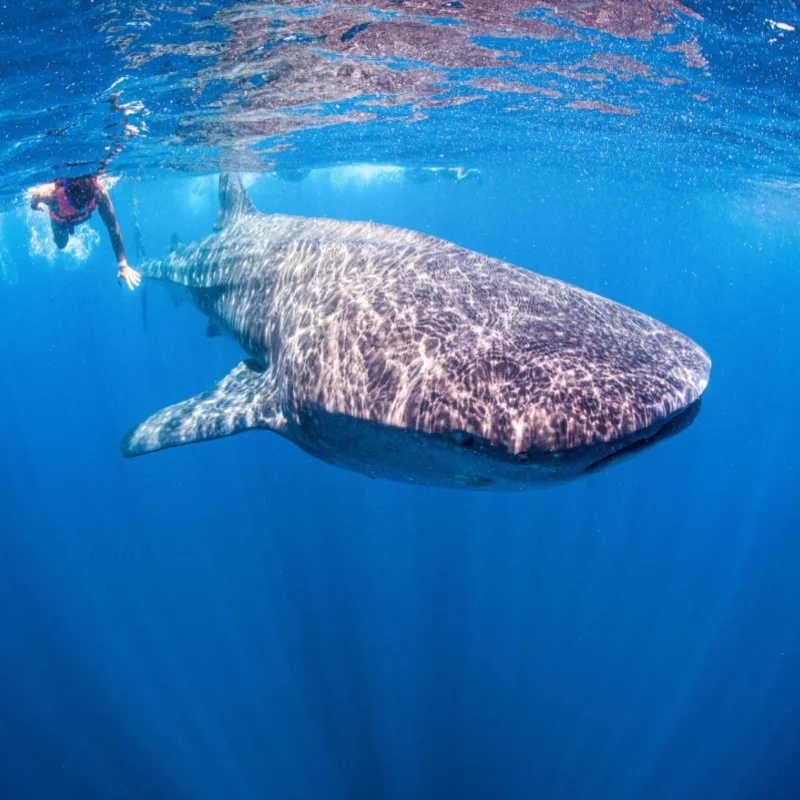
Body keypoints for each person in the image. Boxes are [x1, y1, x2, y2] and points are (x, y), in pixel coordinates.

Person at [29, 174, 141, 290]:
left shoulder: (99, 194)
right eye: (78, 205)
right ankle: (53, 233)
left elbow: (112, 226)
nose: (81, 208)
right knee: (61, 244)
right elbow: (35, 198)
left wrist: (122, 264)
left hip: (74, 216)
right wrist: (35, 206)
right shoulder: (50, 194)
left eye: (85, 204)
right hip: (60, 221)